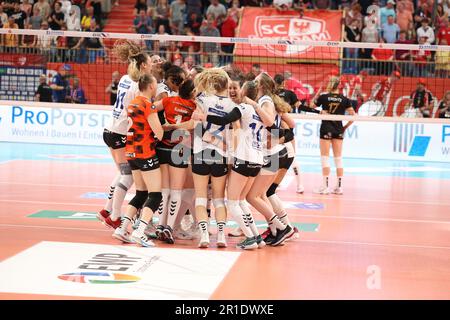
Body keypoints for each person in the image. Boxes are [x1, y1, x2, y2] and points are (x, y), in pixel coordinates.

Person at [98, 40, 153, 229]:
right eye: (150, 63)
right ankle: (114, 215)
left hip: (110, 130)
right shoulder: (139, 85)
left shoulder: (123, 78)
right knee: (127, 175)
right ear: (144, 65)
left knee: (122, 173)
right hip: (121, 133)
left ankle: (107, 209)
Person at [113, 74, 164, 247]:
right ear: (150, 86)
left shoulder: (133, 102)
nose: (156, 87)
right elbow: (159, 133)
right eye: (155, 84)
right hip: (145, 153)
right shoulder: (148, 105)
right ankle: (140, 232)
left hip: (131, 152)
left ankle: (122, 228)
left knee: (141, 193)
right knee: (155, 194)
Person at [190, 68, 237, 248]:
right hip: (221, 156)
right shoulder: (232, 105)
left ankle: (204, 235)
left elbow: (196, 126)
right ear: (226, 85)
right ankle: (221, 236)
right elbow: (234, 131)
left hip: (201, 153)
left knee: (201, 198)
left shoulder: (201, 100)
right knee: (218, 199)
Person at [151, 79, 196, 243]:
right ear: (192, 92)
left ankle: (160, 226)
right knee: (176, 191)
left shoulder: (168, 100)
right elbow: (193, 124)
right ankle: (169, 227)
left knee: (164, 190)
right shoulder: (194, 105)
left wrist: (161, 126)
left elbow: (151, 108)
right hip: (181, 148)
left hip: (163, 145)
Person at [313, 76, 356, 195]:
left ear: (330, 84)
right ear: (339, 86)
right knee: (338, 158)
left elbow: (311, 106)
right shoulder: (345, 99)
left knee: (324, 158)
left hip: (326, 128)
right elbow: (353, 116)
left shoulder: (324, 97)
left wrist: (317, 94)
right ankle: (339, 187)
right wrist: (345, 127)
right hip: (338, 129)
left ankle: (325, 187)